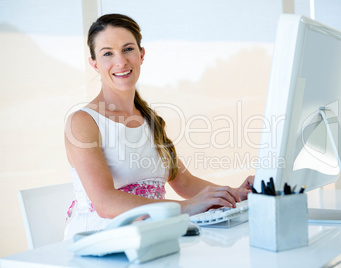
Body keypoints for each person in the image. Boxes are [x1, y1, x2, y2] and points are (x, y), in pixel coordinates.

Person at [64, 13, 254, 240]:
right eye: (108, 54)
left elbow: (183, 181)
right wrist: (187, 207)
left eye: (128, 49)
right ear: (94, 63)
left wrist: (234, 195)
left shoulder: (149, 119)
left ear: (141, 54)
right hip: (100, 237)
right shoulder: (83, 122)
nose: (121, 62)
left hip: (151, 232)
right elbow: (106, 203)